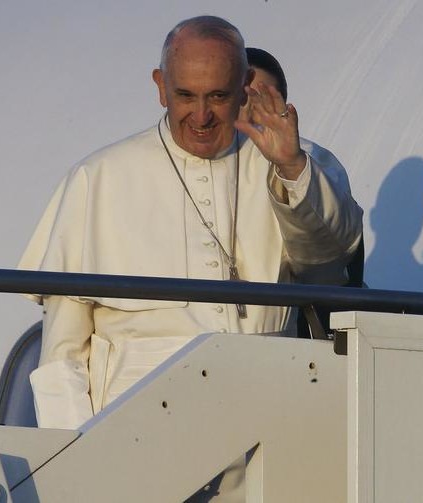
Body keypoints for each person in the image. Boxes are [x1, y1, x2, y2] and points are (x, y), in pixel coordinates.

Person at [19, 16, 362, 431]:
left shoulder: (291, 159)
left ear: (244, 85)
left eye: (217, 96)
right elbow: (61, 354)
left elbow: (328, 267)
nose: (201, 117)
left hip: (266, 415)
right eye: (185, 95)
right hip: (136, 429)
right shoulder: (99, 178)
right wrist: (75, 454)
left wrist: (291, 168)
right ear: (160, 86)